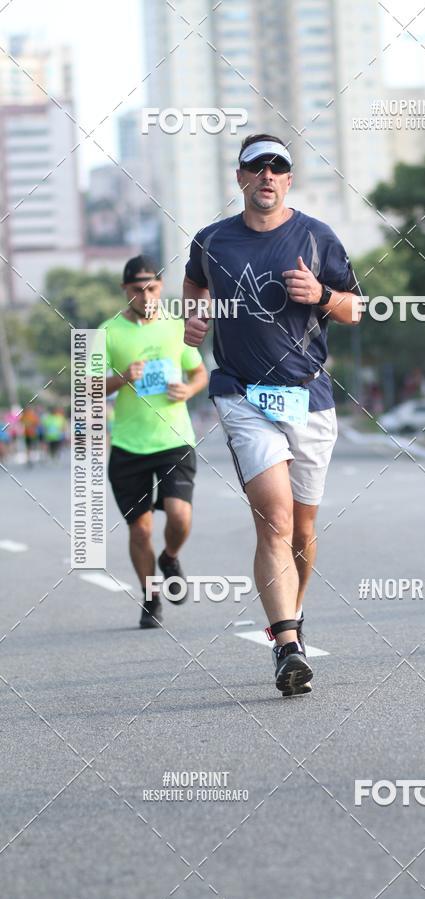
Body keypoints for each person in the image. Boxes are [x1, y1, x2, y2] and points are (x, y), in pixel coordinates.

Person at [183, 134, 362, 696]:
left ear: (289, 178)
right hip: (242, 395)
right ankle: (286, 645)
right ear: (239, 177)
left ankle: (293, 615)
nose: (266, 175)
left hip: (309, 396)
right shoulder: (213, 240)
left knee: (303, 529)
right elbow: (194, 283)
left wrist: (320, 294)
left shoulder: (317, 236)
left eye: (277, 167)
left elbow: (356, 308)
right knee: (276, 518)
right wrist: (195, 318)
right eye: (255, 167)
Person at [101, 255, 208, 629]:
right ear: (124, 291)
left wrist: (188, 389)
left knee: (179, 516)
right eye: (137, 290)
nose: (145, 296)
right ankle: (151, 598)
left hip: (174, 439)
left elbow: (199, 373)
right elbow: (84, 387)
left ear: (161, 287)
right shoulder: (109, 332)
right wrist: (121, 379)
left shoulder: (175, 326)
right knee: (141, 529)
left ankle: (171, 556)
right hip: (129, 445)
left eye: (152, 288)